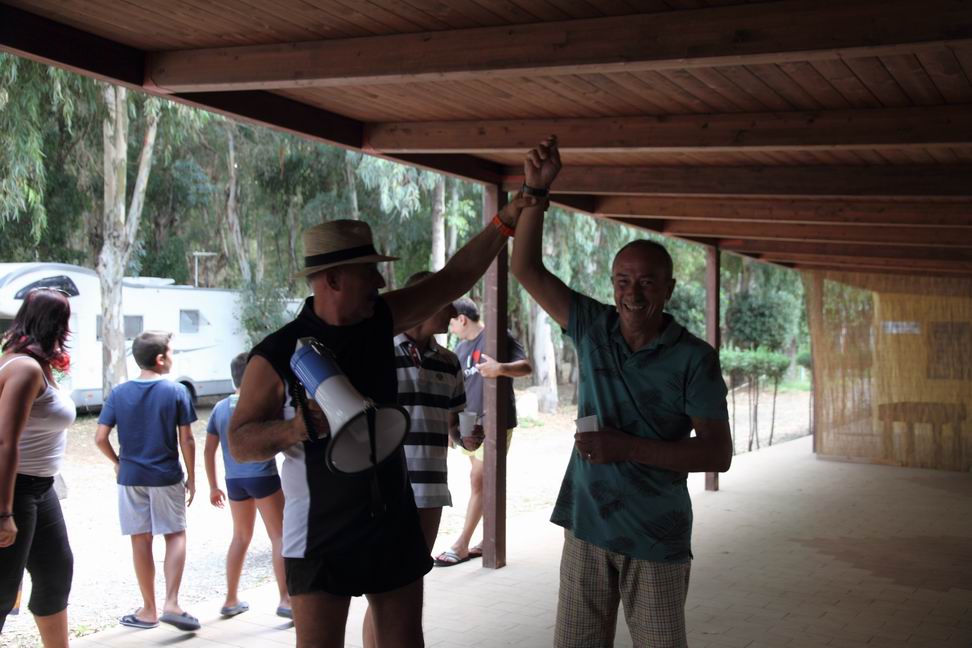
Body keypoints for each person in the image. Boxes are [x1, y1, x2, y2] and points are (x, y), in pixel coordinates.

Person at [228, 196, 535, 648]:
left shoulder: (381, 321)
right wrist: (295, 429)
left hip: (392, 517)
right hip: (319, 532)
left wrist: (506, 219)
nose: (379, 280)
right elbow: (239, 442)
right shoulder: (277, 353)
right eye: (368, 271)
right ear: (334, 279)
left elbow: (454, 278)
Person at [511, 136, 732, 648]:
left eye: (648, 282)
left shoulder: (693, 358)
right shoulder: (592, 327)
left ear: (669, 289)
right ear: (612, 285)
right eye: (622, 280)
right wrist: (535, 191)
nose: (633, 292)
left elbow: (717, 454)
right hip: (587, 525)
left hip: (656, 535)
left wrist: (626, 447)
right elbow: (525, 268)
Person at [94, 331, 200, 632]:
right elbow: (187, 439)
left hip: (130, 478)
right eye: (171, 352)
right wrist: (192, 477)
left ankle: (149, 611)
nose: (173, 357)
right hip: (165, 476)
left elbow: (100, 438)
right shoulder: (176, 391)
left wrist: (118, 463)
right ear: (160, 358)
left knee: (140, 539)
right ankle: (172, 603)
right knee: (175, 534)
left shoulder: (118, 393)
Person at [0, 288, 76, 647]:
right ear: (55, 324)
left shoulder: (38, 364)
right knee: (3, 588)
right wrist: (3, 513)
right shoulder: (24, 369)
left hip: (41, 488)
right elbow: (5, 442)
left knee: (55, 573)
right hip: (14, 489)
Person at [434, 298, 531, 567]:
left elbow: (526, 366)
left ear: (462, 319)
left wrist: (501, 369)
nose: (450, 328)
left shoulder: (498, 337)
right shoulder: (460, 348)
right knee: (481, 481)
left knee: (479, 480)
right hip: (468, 426)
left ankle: (462, 544)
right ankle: (488, 538)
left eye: (451, 322)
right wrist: (451, 426)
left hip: (496, 423)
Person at [204, 352, 290, 620]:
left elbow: (208, 450)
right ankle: (286, 600)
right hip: (262, 476)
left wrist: (213, 486)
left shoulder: (219, 408)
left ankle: (230, 599)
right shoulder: (259, 404)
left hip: (234, 481)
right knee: (279, 536)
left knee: (240, 536)